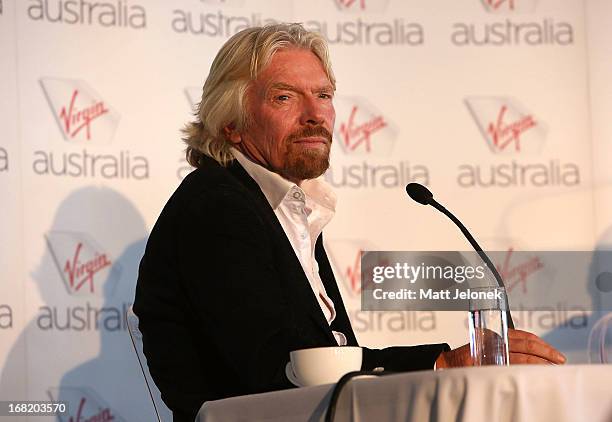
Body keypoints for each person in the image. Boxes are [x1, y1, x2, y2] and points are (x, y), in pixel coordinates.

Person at [134, 23, 565, 422]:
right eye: (284, 97)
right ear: (231, 124)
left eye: (322, 95)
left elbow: (329, 364)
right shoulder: (216, 207)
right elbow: (281, 370)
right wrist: (442, 365)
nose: (315, 114)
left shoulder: (285, 209)